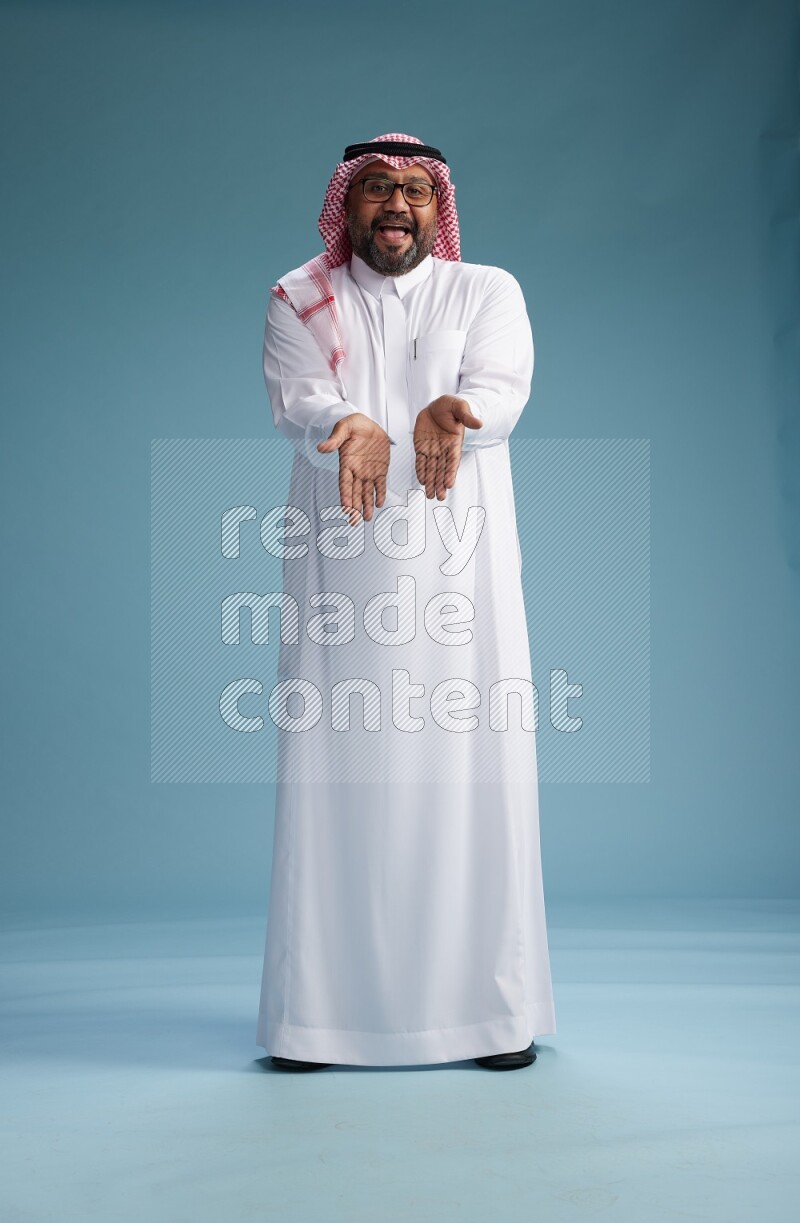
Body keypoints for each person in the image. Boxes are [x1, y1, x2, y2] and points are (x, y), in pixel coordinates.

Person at [256, 133, 556, 1071]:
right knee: (334, 781)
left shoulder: (486, 292)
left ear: (439, 208)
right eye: (377, 188)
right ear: (346, 205)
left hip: (462, 577)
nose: (396, 205)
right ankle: (317, 1022)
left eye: (415, 191)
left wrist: (457, 411)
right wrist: (345, 420)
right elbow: (298, 397)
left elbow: (500, 389)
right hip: (343, 579)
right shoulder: (300, 296)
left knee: (473, 776)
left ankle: (488, 1018)